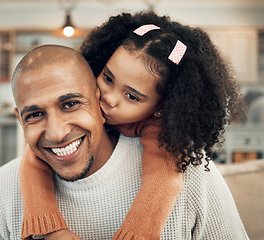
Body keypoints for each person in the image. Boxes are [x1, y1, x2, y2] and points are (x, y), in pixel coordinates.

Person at [18, 11, 247, 240]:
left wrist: (136, 234)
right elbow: (33, 158)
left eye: (132, 96)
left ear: (161, 107)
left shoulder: (164, 136)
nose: (109, 98)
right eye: (108, 78)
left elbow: (162, 182)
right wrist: (49, 230)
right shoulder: (85, 111)